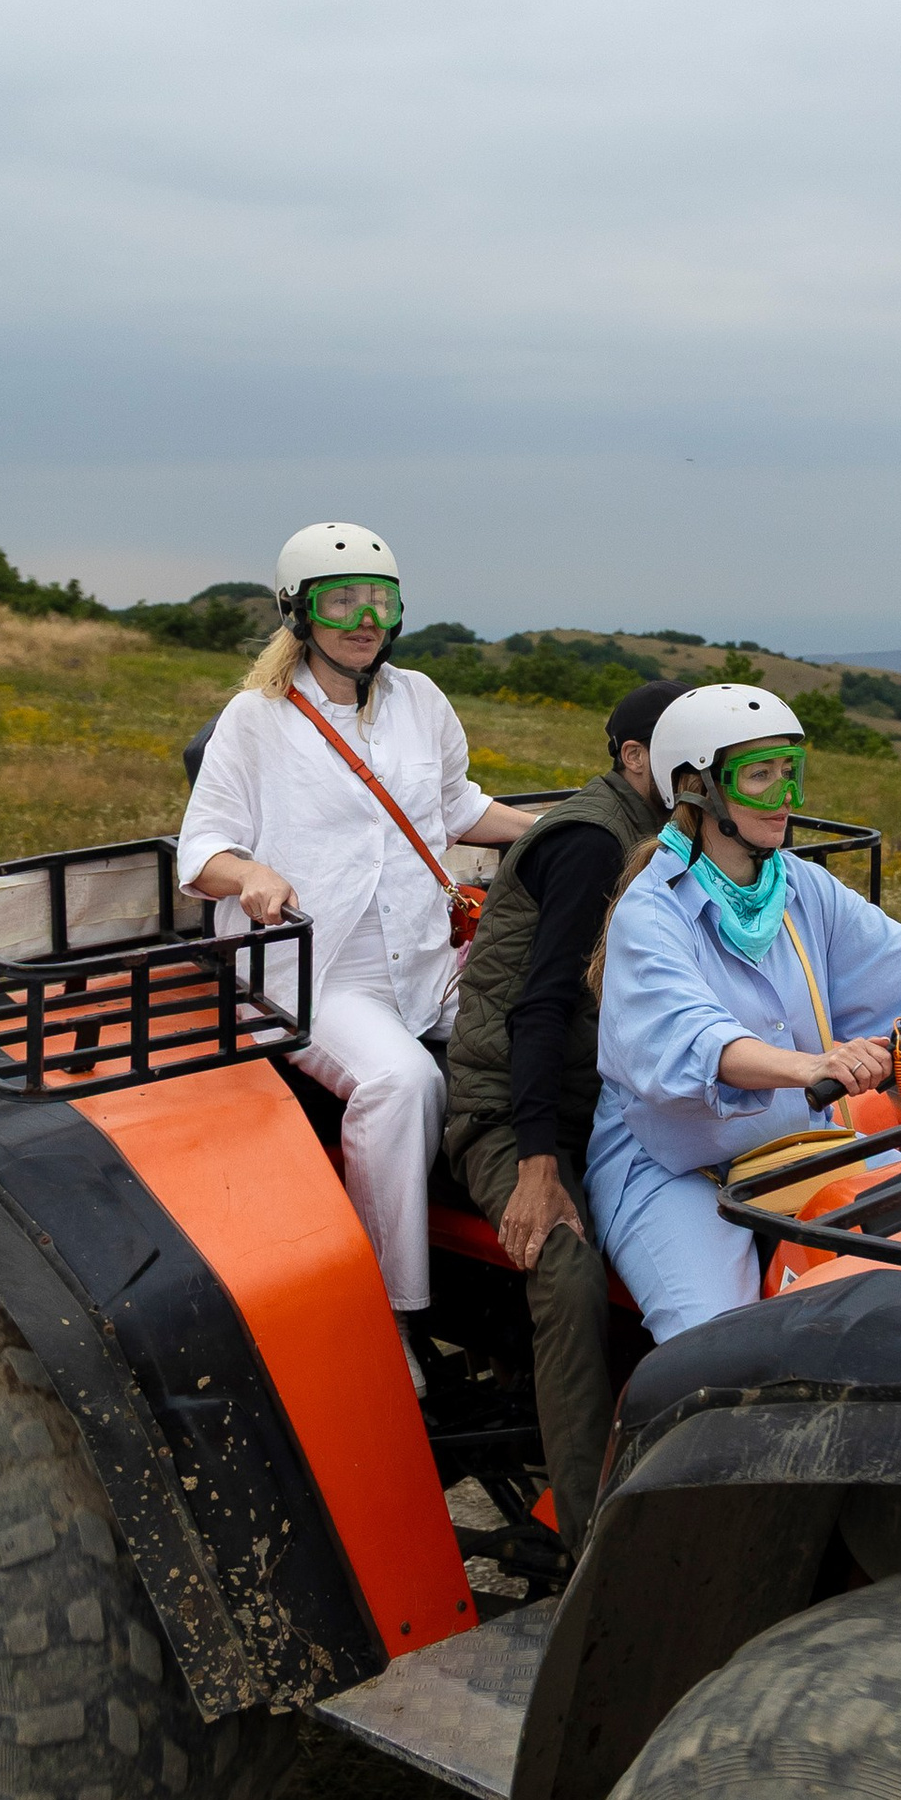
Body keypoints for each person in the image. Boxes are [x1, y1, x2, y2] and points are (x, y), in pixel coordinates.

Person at [589, 682, 901, 1346]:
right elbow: (694, 1041)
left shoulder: (799, 887)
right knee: (714, 1347)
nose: (787, 799)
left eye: (790, 774)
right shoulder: (651, 914)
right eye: (759, 777)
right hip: (677, 1168)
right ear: (696, 789)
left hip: (801, 1148)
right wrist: (813, 1065)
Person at [178, 522, 537, 1380]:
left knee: (548, 1017)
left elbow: (457, 810)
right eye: (342, 600)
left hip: (424, 953)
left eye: (380, 600)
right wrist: (253, 874)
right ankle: (389, 1314)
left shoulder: (422, 700)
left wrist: (571, 836)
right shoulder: (255, 720)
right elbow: (203, 852)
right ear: (299, 612)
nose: (364, 617)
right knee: (400, 1081)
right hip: (314, 966)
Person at [440, 675, 687, 1553]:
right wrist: (538, 1167)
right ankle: (595, 1543)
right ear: (636, 761)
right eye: (690, 765)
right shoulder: (593, 843)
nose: (711, 783)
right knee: (569, 1272)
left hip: (609, 1098)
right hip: (512, 1106)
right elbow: (538, 1009)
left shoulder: (671, 839)